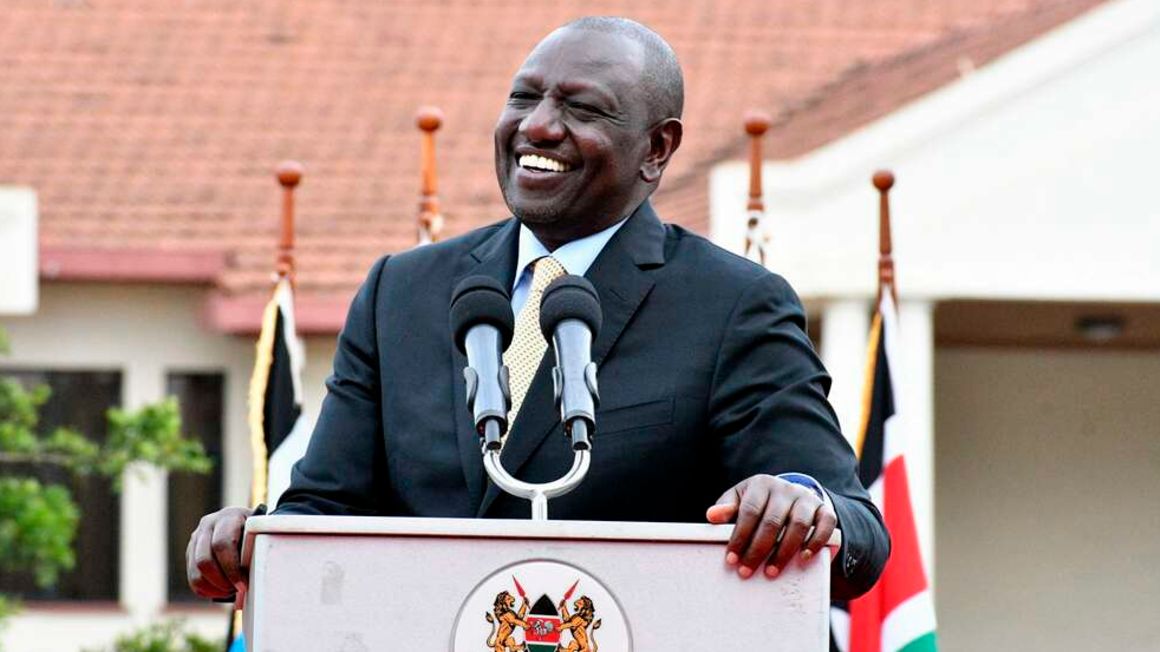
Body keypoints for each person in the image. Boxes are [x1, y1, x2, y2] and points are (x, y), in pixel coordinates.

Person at [188, 16, 888, 603]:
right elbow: (323, 514)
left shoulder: (734, 305)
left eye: (582, 109)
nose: (539, 127)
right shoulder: (402, 292)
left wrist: (803, 505)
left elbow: (857, 530)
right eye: (524, 99)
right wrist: (253, 543)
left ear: (657, 148)